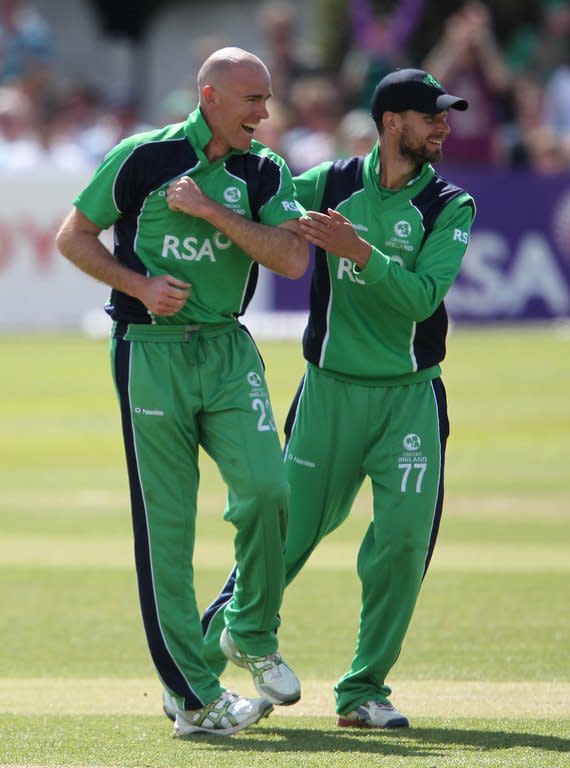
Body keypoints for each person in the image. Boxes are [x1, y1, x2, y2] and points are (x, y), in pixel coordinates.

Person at [202, 67, 476, 729]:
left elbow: (421, 297)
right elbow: (261, 210)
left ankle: (362, 692)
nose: (443, 125)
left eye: (445, 114)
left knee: (403, 544)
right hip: (328, 392)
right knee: (285, 538)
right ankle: (194, 673)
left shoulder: (449, 205)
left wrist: (360, 253)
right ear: (391, 122)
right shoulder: (328, 183)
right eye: (430, 114)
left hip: (409, 398)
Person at [55, 46, 309, 737]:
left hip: (228, 350)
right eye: (251, 99)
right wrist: (138, 286)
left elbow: (291, 257)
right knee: (166, 532)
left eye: (266, 98)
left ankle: (249, 630)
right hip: (150, 354)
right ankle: (193, 701)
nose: (264, 112)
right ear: (211, 100)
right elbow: (73, 236)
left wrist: (209, 212)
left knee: (268, 490)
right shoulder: (141, 157)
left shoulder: (264, 169)